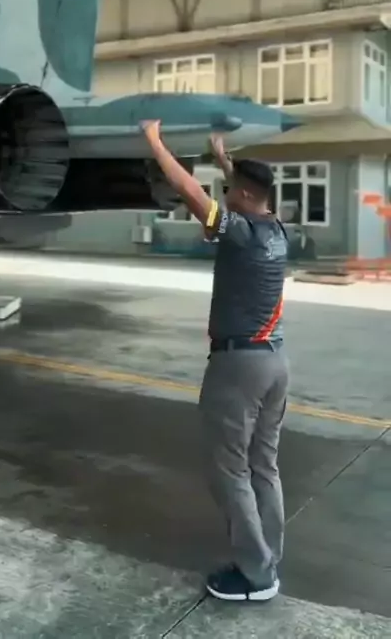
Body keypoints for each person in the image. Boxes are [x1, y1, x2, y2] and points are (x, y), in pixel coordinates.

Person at [141, 120, 289, 603]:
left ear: (243, 196)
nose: (224, 198)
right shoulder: (276, 228)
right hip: (275, 362)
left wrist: (155, 143)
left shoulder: (240, 234)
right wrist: (224, 159)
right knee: (263, 465)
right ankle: (268, 557)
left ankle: (256, 576)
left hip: (239, 367)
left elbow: (191, 193)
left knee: (231, 470)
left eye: (229, 191)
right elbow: (244, 191)